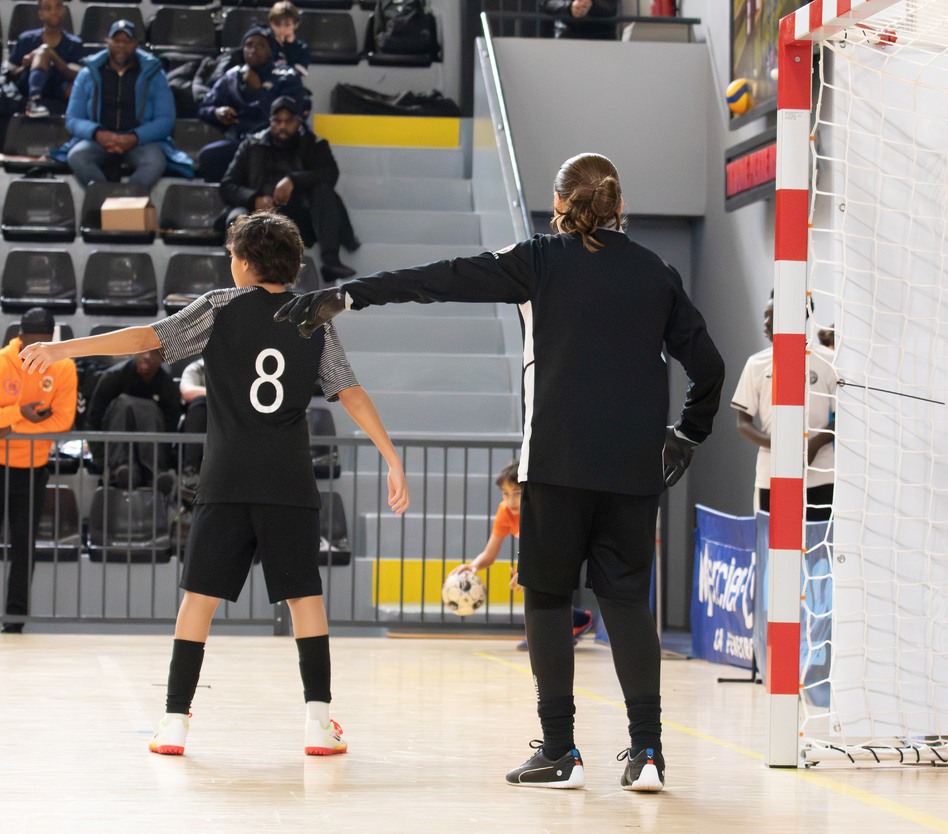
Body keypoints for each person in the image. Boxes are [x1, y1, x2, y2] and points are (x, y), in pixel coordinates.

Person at [277, 152, 724, 792]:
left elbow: (443, 278)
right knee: (626, 601)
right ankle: (647, 752)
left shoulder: (538, 260)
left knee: (548, 599)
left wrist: (348, 294)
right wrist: (687, 434)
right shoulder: (659, 273)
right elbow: (709, 367)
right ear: (619, 205)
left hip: (557, 464)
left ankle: (560, 752)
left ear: (560, 204)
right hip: (633, 472)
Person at [19, 212, 410, 758]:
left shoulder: (218, 306)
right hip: (288, 480)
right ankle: (318, 723)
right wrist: (391, 456)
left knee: (198, 601)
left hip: (226, 477)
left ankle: (174, 723)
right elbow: (350, 392)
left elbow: (147, 337)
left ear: (245, 263)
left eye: (232, 256)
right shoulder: (314, 316)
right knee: (304, 598)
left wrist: (64, 349)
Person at [0, 308, 78, 632]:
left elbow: (63, 420)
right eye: (33, 344)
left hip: (33, 468)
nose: (38, 352)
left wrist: (8, 427)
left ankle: (15, 623)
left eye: (44, 345)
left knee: (24, 549)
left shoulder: (64, 367)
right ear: (20, 337)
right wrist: (20, 413)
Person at [450, 460, 594, 649]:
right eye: (505, 493)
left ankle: (546, 636)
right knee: (536, 587)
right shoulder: (505, 511)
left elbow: (552, 546)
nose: (510, 501)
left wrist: (528, 570)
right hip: (543, 555)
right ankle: (578, 620)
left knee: (539, 588)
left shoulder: (539, 509)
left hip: (566, 549)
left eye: (517, 493)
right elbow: (489, 553)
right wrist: (474, 566)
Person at [220, 96, 359, 282]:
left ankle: (331, 260)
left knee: (323, 192)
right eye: (277, 121)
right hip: (257, 212)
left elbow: (329, 175)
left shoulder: (314, 144)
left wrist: (293, 179)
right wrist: (254, 199)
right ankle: (234, 275)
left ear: (299, 121)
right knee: (236, 219)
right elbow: (227, 185)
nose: (283, 126)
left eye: (289, 121)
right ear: (270, 121)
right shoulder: (252, 145)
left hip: (299, 214)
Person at [731, 297, 836, 521]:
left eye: (773, 315)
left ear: (798, 315)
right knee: (771, 541)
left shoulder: (829, 360)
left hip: (821, 473)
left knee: (818, 542)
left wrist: (814, 444)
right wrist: (780, 448)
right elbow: (743, 423)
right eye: (765, 316)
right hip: (772, 474)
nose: (766, 323)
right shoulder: (756, 363)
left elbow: (844, 418)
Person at [60, 19, 193, 189]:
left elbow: (166, 120)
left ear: (136, 44)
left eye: (127, 41)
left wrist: (135, 137)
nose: (121, 46)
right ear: (108, 42)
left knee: (154, 162)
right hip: (99, 141)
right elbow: (73, 119)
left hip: (140, 141)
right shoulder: (88, 73)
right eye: (116, 40)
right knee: (77, 157)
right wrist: (98, 133)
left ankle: (128, 200)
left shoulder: (154, 74)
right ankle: (105, 198)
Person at [195, 28, 309, 183]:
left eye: (261, 45)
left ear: (271, 51)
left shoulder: (287, 76)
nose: (253, 49)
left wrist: (258, 91)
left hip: (275, 144)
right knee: (209, 157)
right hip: (239, 141)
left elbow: (289, 117)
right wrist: (217, 112)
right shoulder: (232, 76)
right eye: (248, 45)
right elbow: (203, 108)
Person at [0, 0, 84, 119]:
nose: (54, 11)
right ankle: (34, 100)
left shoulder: (74, 43)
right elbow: (11, 74)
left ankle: (37, 103)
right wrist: (26, 65)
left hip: (57, 86)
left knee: (44, 51)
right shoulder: (26, 39)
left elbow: (78, 74)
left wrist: (51, 55)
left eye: (58, 7)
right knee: (43, 51)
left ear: (64, 11)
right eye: (48, 8)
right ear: (40, 14)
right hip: (26, 86)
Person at [87, 347, 183, 433]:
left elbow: (171, 425)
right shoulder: (113, 376)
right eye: (143, 351)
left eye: (154, 353)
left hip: (151, 444)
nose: (147, 356)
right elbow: (94, 418)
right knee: (124, 404)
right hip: (115, 442)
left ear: (163, 358)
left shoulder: (168, 387)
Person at [266, 1, 311, 73]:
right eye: (277, 24)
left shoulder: (301, 47)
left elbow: (301, 72)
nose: (282, 29)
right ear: (271, 23)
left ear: (295, 25)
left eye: (287, 25)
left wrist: (289, 45)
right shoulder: (264, 42)